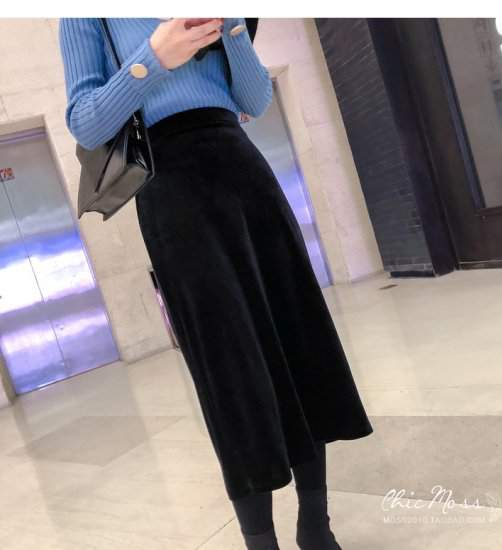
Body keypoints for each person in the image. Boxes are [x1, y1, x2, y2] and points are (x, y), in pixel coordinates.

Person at [58, 17, 374, 549]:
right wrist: (154, 57)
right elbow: (85, 123)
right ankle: (260, 541)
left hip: (243, 167)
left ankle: (316, 527)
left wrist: (233, 28)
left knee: (296, 340)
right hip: (172, 187)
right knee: (228, 366)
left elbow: (254, 99)